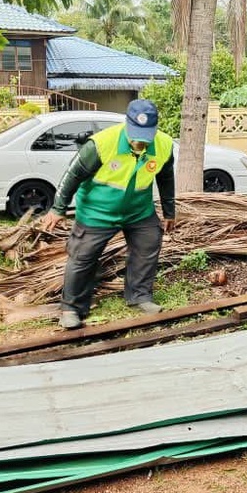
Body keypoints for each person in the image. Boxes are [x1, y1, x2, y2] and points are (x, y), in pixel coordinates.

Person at [40, 99, 176, 329]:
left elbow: (165, 177)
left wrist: (169, 210)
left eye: (145, 136)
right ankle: (71, 308)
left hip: (138, 210)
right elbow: (72, 175)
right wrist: (58, 208)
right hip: (97, 211)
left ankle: (140, 296)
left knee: (149, 243)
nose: (139, 141)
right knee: (82, 256)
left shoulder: (163, 145)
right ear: (127, 125)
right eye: (135, 135)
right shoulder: (101, 144)